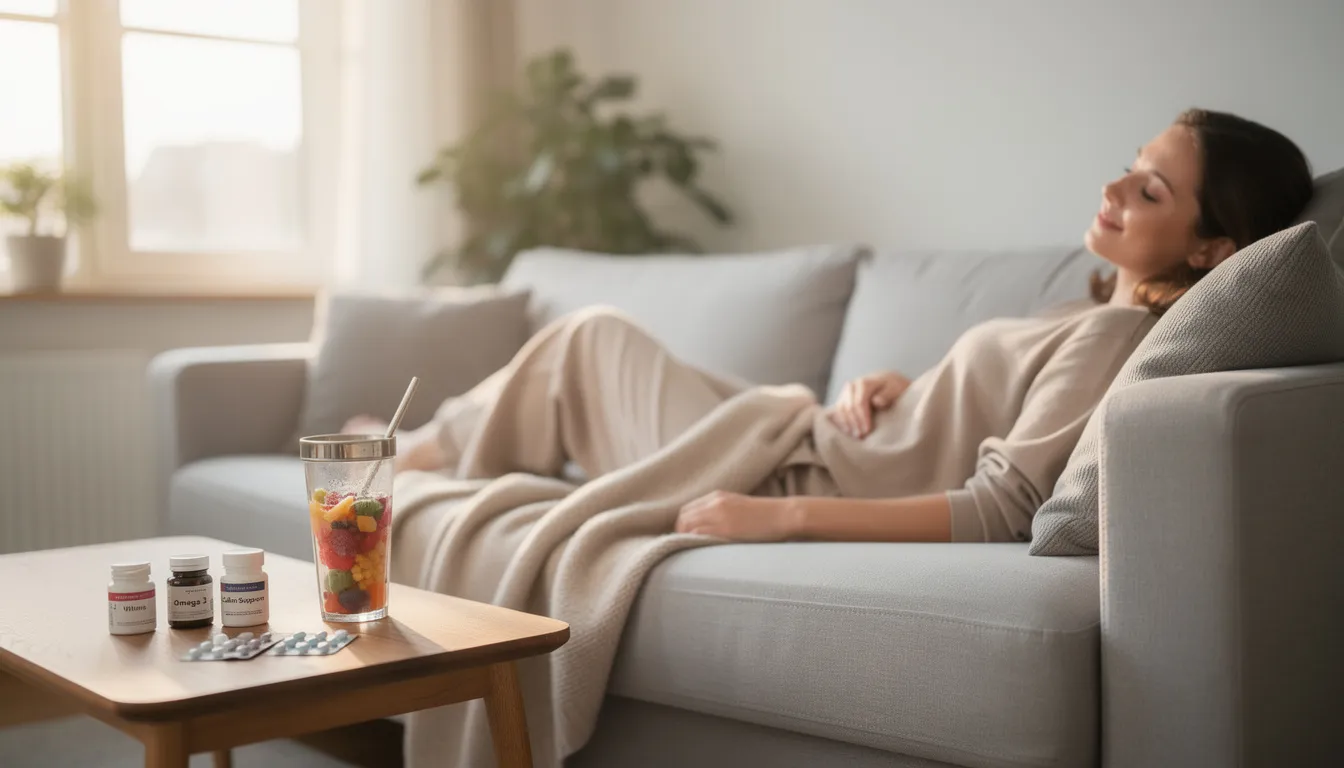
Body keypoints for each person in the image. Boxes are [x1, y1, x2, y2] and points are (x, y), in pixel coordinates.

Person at [346, 108, 1314, 544]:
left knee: (591, 339)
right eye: (1128, 162)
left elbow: (1000, 507)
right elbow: (962, 414)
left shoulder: (1114, 343)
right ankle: (419, 453)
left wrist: (780, 516)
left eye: (1149, 188)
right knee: (589, 342)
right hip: (819, 432)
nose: (1113, 187)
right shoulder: (1089, 308)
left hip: (797, 470)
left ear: (1211, 250)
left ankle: (408, 459)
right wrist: (892, 383)